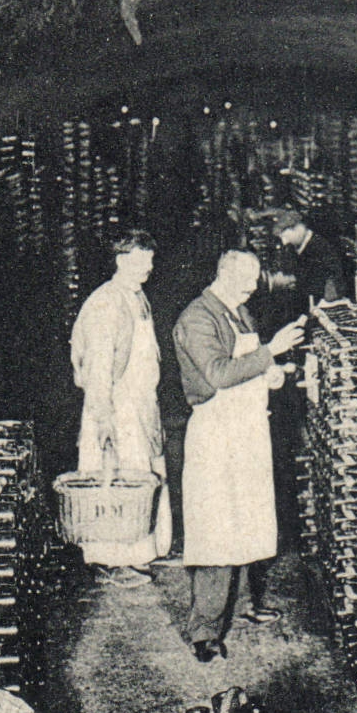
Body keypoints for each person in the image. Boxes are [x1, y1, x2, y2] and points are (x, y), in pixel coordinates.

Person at [172, 250, 306, 663]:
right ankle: (205, 631)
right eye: (246, 280)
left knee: (249, 518)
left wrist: (275, 374)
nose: (253, 287)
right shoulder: (198, 317)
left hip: (246, 429)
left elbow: (245, 366)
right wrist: (271, 352)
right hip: (217, 433)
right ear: (223, 274)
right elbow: (218, 374)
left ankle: (246, 604)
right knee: (217, 531)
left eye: (255, 279)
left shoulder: (237, 310)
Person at [68, 229, 171, 587]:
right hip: (115, 405)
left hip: (140, 402)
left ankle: (135, 554)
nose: (149, 267)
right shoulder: (105, 303)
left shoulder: (136, 297)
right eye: (140, 260)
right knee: (115, 479)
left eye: (151, 260)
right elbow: (97, 370)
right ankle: (110, 561)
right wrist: (104, 417)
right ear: (120, 260)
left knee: (139, 478)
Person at [267, 209, 347, 312]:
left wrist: (291, 280)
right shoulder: (295, 246)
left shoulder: (320, 247)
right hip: (306, 300)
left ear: (298, 229)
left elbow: (320, 281)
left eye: (285, 236)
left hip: (324, 302)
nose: (284, 242)